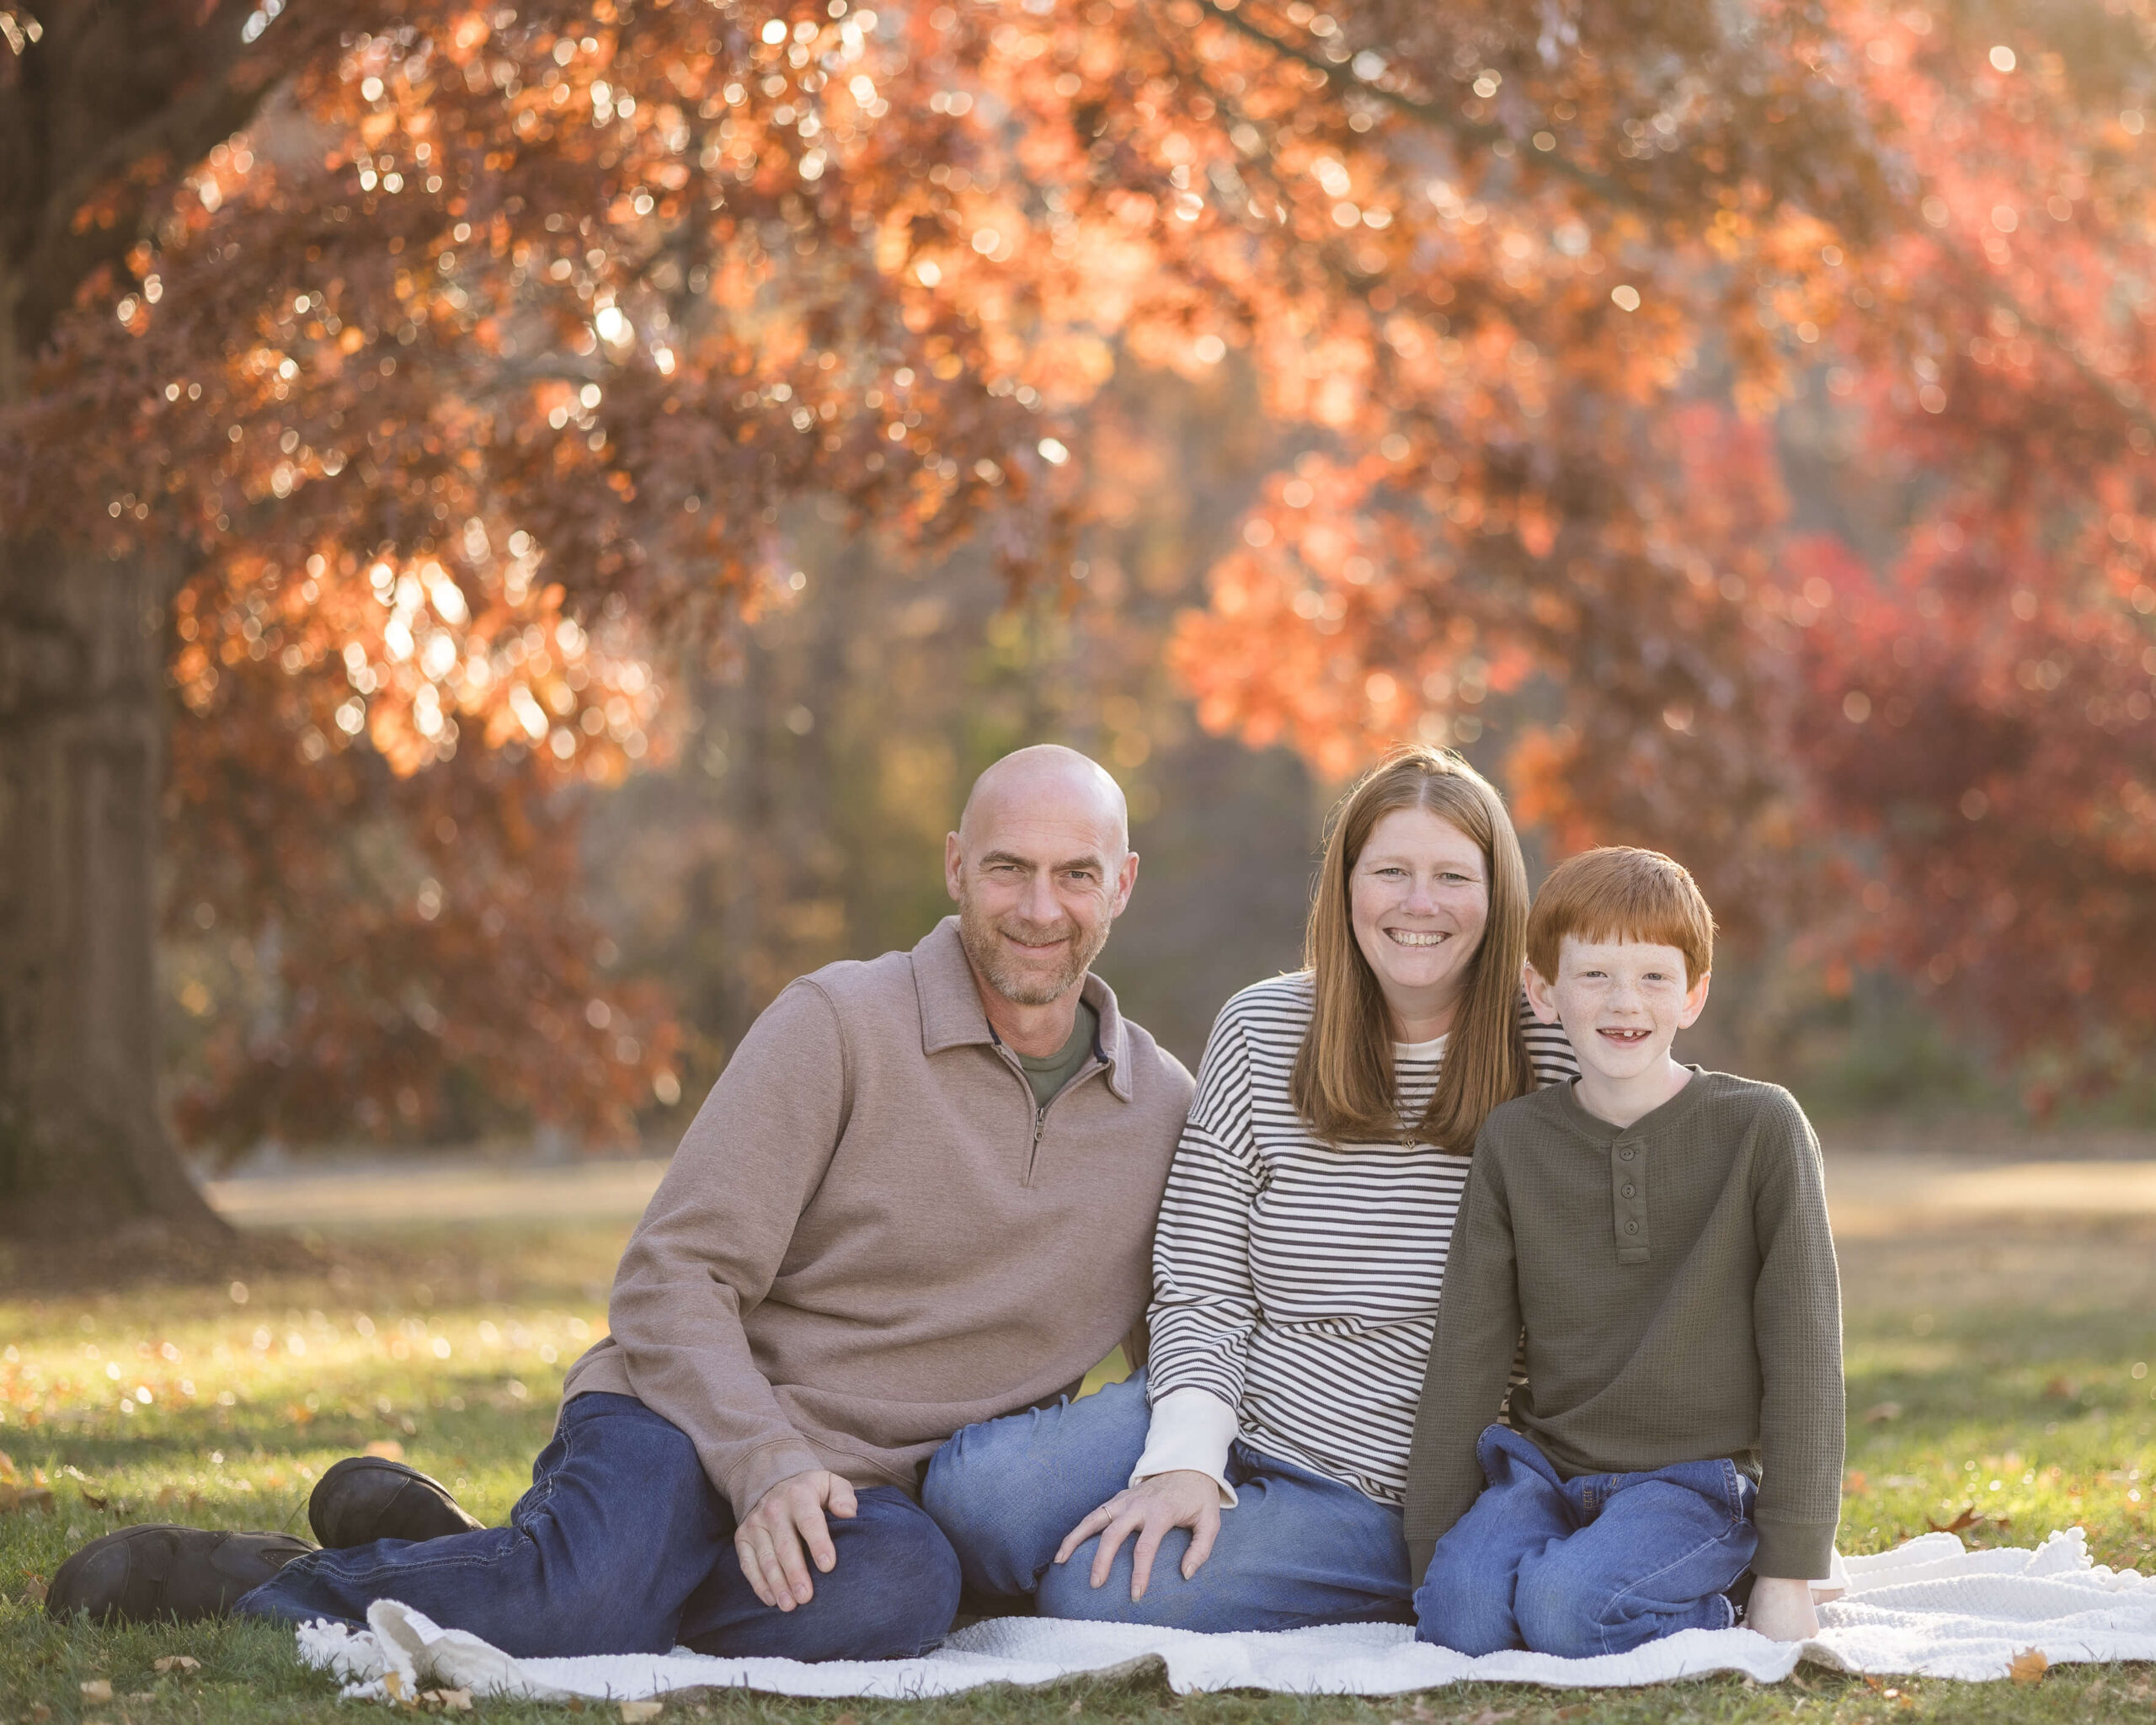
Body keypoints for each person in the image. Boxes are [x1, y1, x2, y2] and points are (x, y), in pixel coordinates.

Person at [47, 745, 1195, 1662]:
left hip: (863, 1499)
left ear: (1123, 887)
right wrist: (762, 1460)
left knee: (900, 1597)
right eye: (1008, 868)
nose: (1038, 906)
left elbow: (1188, 1345)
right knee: (589, 1592)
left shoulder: (1164, 1114)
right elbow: (672, 1274)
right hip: (681, 1414)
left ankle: (493, 1567)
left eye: (1075, 873)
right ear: (955, 868)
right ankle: (249, 1575)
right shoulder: (841, 1024)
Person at [924, 746, 1577, 1632]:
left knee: (1094, 1598)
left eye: (1451, 876)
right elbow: (1200, 1279)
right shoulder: (1262, 1027)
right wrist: (1186, 1459)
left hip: (1384, 1476)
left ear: (1497, 895)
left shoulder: (1550, 1051)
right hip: (1231, 1396)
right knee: (976, 1496)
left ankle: (1361, 1570)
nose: (1418, 904)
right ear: (1347, 886)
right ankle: (1164, 1518)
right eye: (1390, 871)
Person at [1403, 845, 1843, 1657]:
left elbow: (1805, 1355)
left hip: (1691, 1484)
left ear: (1694, 994)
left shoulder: (1761, 1129)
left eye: (1653, 977)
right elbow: (1469, 1350)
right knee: (1460, 1615)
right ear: (1543, 991)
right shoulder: (1515, 1141)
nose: (1624, 1001)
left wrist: (1790, 1569)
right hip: (1544, 1475)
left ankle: (1730, 1591)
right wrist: (1432, 1554)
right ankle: (1573, 1579)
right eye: (1595, 975)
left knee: (1568, 1611)